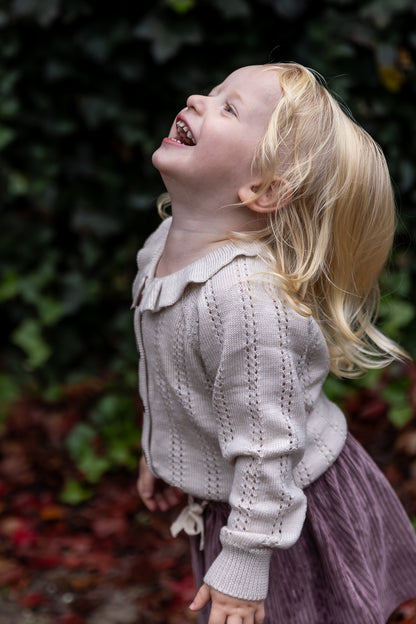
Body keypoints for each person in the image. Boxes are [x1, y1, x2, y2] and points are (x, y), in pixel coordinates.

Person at [133, 62, 416, 624]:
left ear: (263, 189)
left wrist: (242, 566)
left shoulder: (247, 302)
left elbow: (267, 448)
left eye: (228, 107)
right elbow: (171, 377)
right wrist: (160, 450)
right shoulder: (162, 246)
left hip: (285, 514)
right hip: (241, 504)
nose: (197, 97)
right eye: (214, 92)